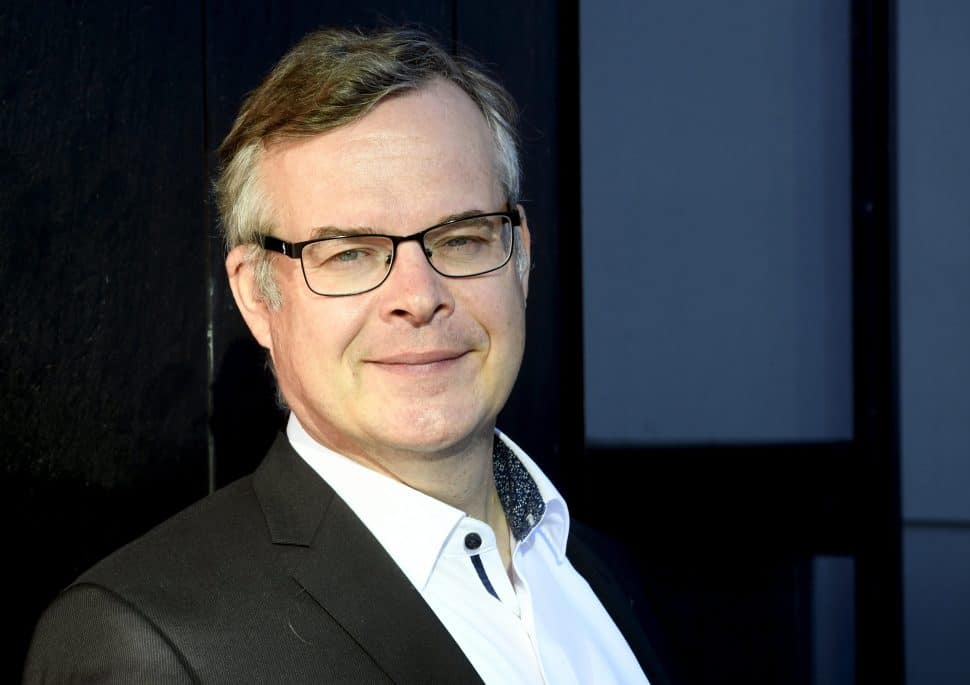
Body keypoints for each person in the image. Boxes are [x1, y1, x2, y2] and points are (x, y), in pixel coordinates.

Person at [24, 27, 666, 684]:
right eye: (351, 254)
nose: (419, 297)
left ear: (520, 257)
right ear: (256, 295)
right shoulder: (145, 644)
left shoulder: (609, 574)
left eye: (462, 239)